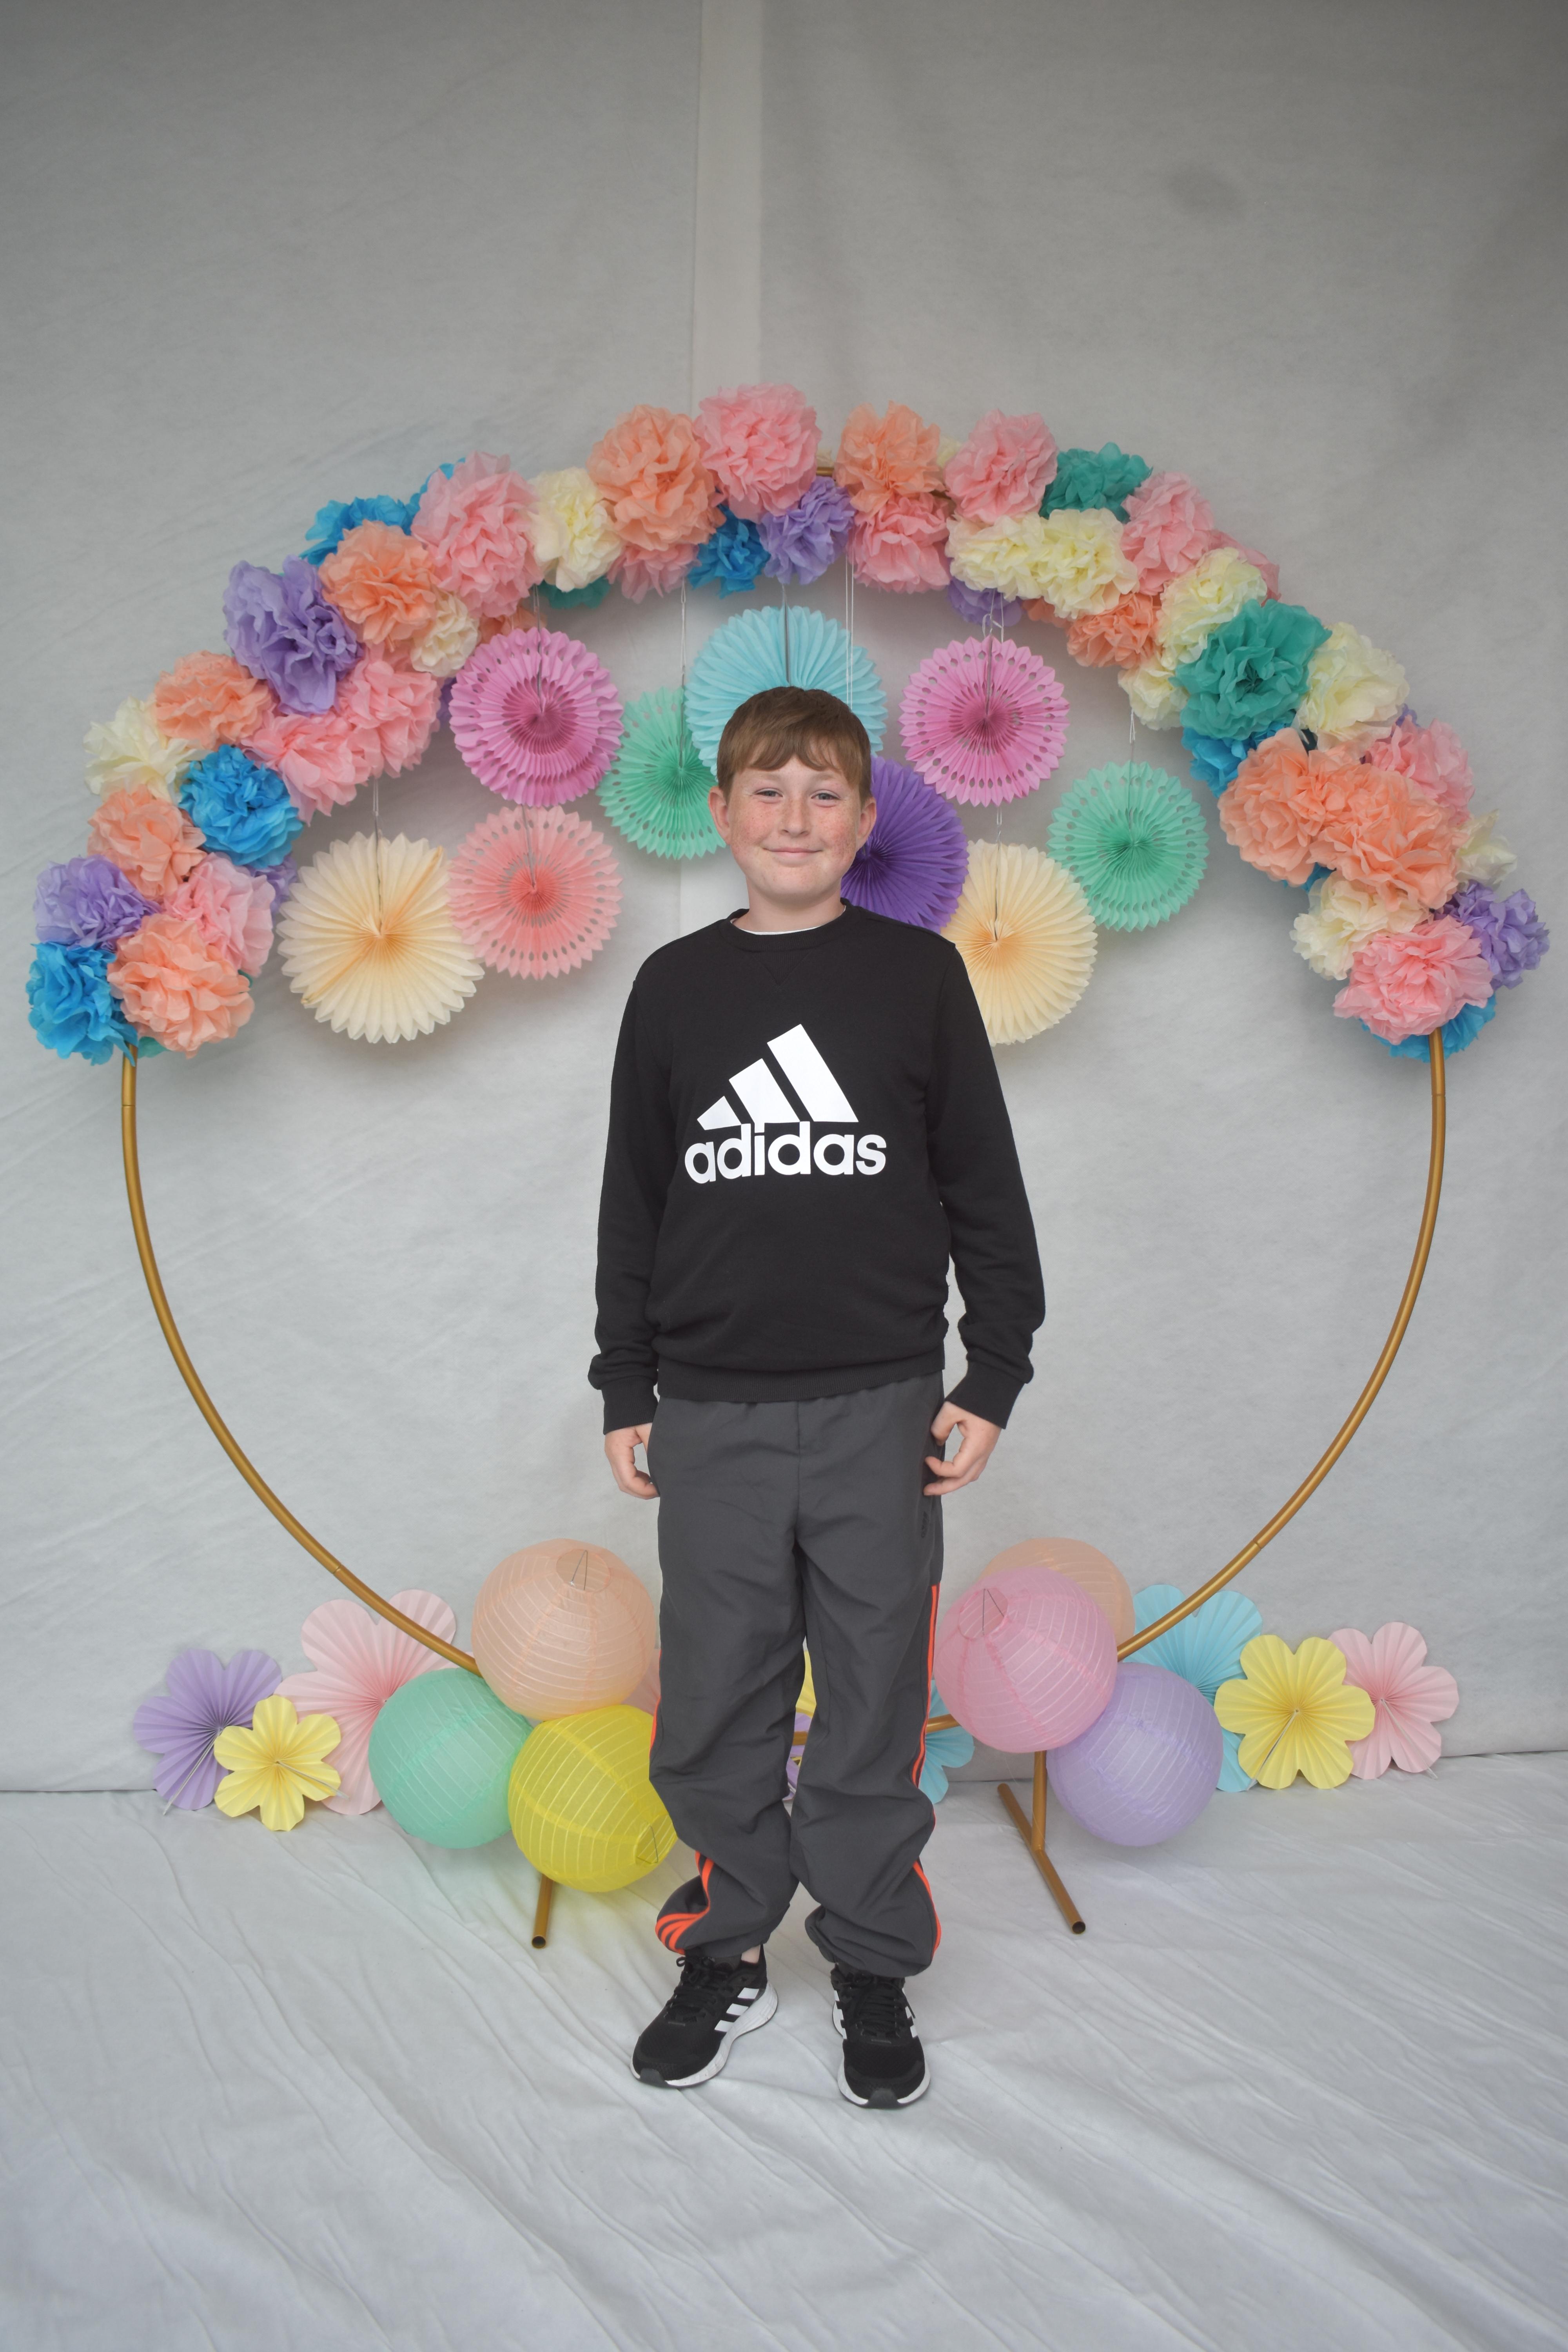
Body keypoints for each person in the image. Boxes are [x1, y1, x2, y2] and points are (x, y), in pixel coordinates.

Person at [589, 684, 1044, 2109]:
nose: (795, 817)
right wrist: (625, 1378)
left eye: (825, 792)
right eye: (768, 791)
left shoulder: (918, 978)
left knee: (871, 1693)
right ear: (721, 814)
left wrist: (995, 1369)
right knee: (715, 1695)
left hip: (881, 1407)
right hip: (711, 1410)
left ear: (864, 818)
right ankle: (724, 1943)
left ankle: (872, 1958)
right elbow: (633, 1202)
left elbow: (985, 1188)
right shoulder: (674, 988)